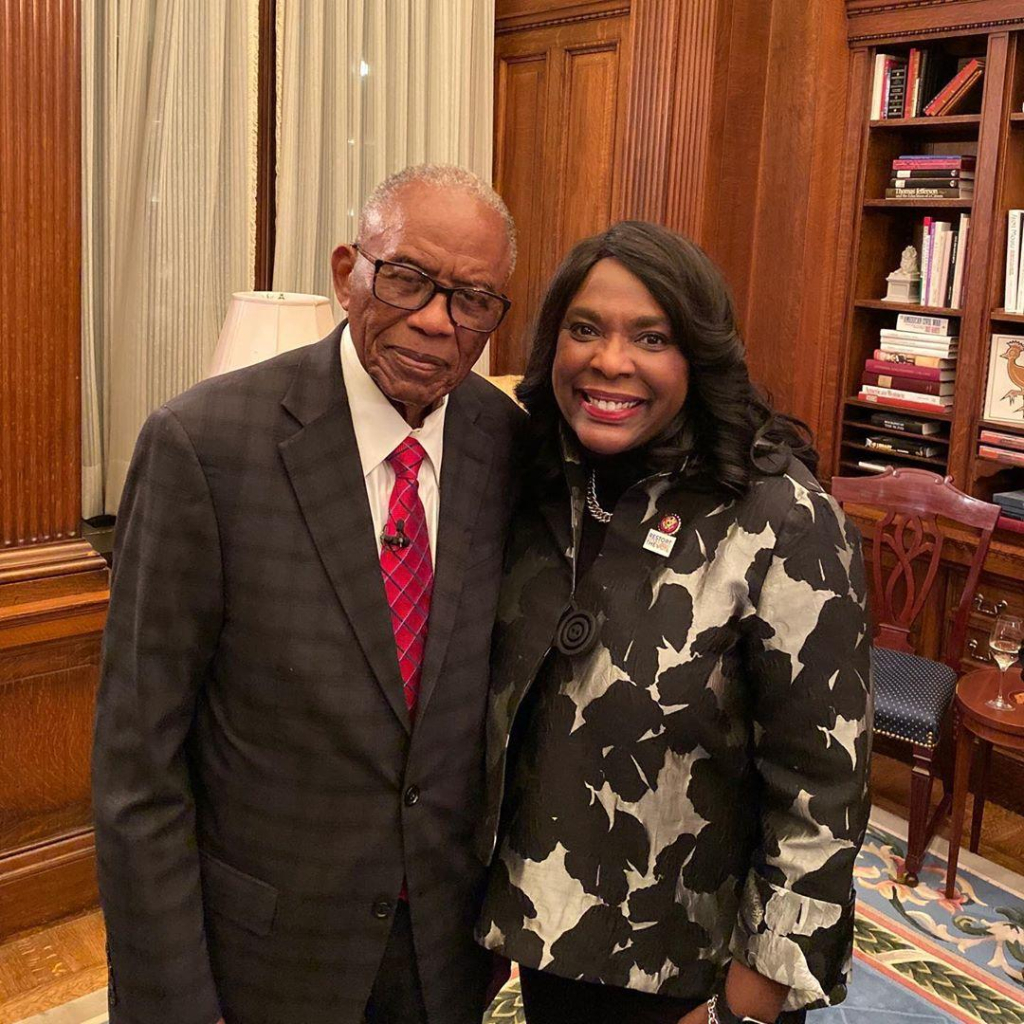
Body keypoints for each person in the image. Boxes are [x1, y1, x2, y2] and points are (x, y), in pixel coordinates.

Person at [92, 164, 523, 1024]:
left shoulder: (506, 443)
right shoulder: (203, 448)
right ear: (345, 273)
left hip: (441, 954)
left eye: (472, 299)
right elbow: (139, 762)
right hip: (259, 958)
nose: (437, 320)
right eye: (406, 278)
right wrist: (170, 1001)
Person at [476, 221, 873, 1024]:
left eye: (650, 337)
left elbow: (823, 796)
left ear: (699, 356)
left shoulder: (783, 523)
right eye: (584, 329)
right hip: (548, 950)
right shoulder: (531, 483)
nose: (609, 360)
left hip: (695, 982)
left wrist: (746, 1006)